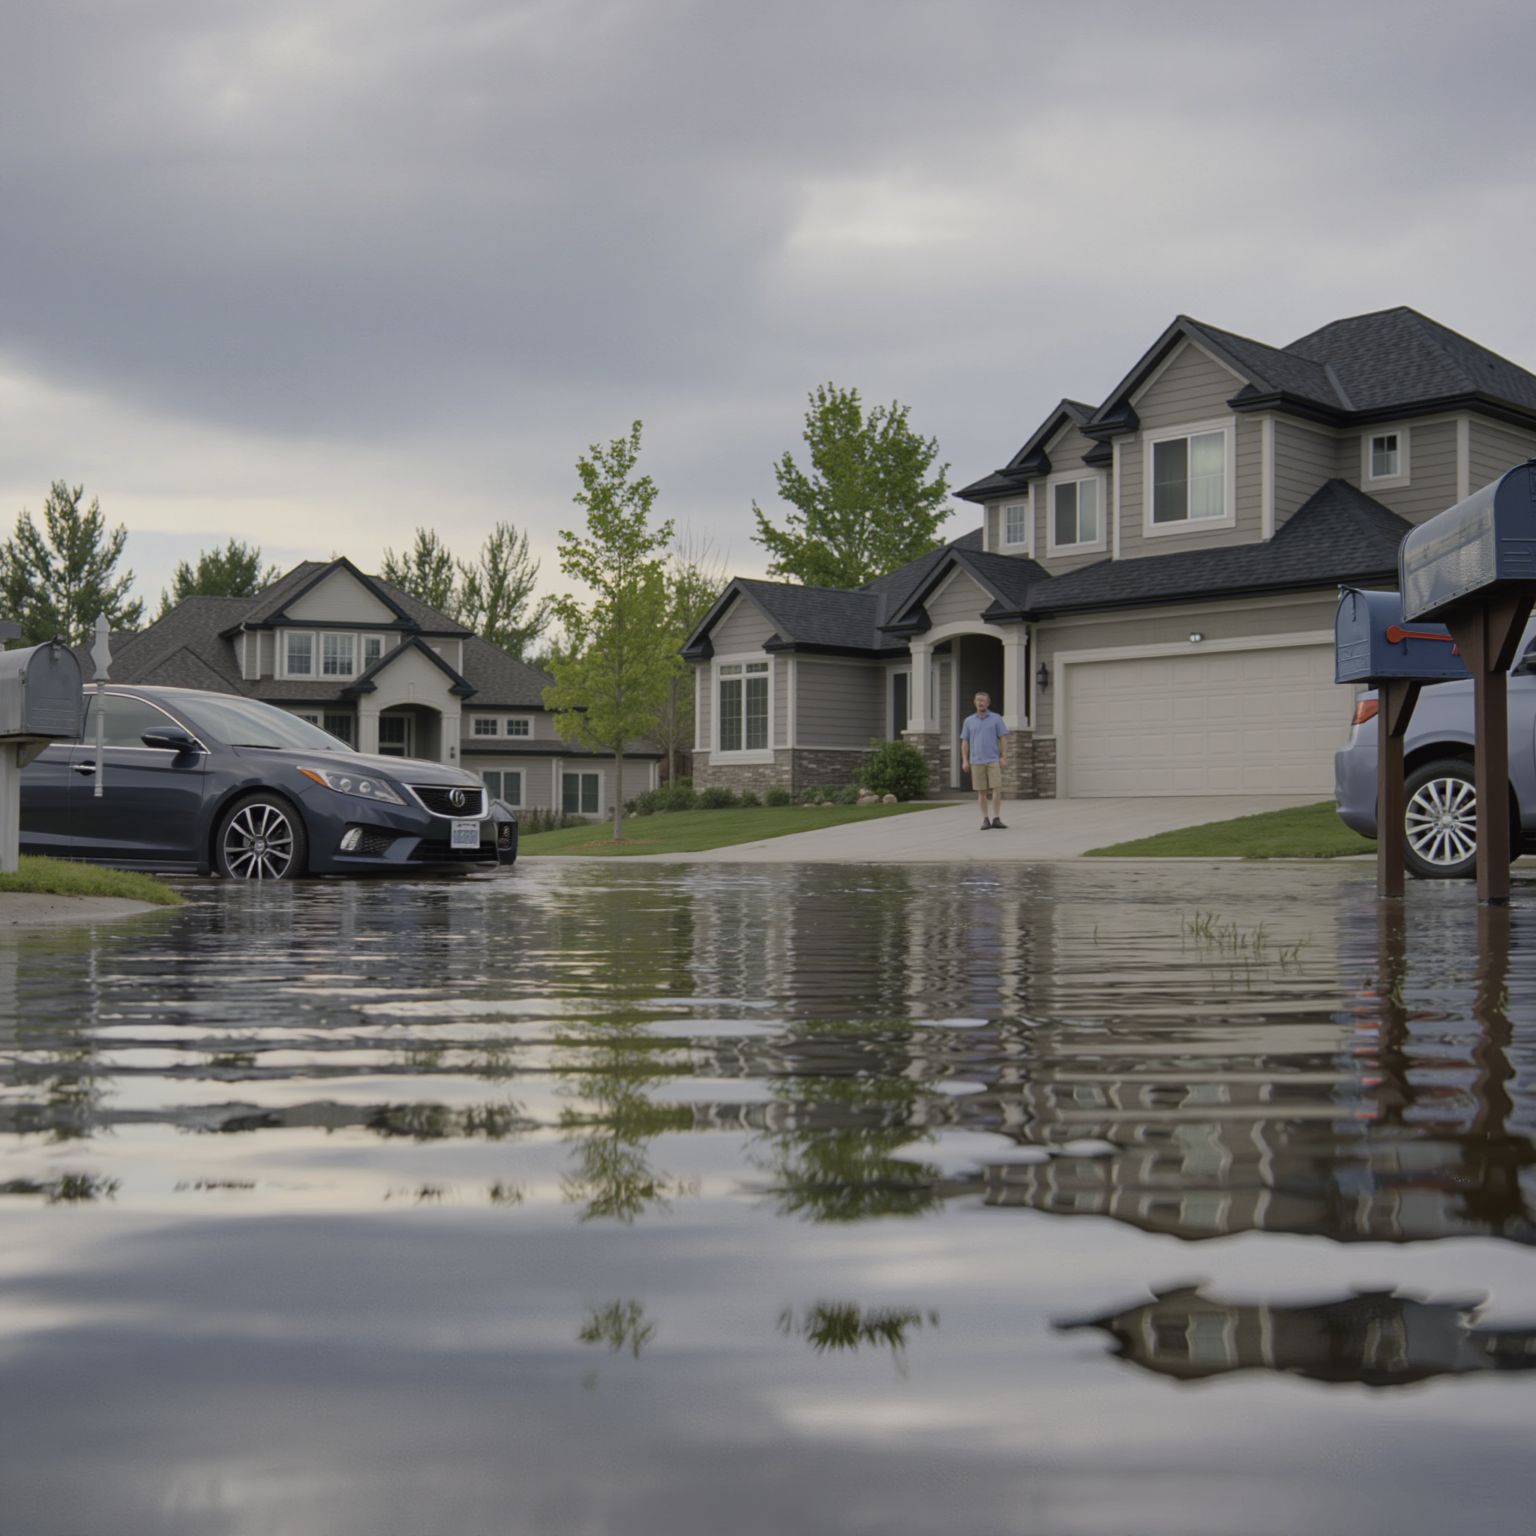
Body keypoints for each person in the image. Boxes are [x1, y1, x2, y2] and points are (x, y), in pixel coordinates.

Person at [960, 691, 1009, 830]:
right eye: (978, 700)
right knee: (981, 791)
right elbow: (965, 741)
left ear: (988, 703)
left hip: (993, 759)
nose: (980, 703)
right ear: (975, 703)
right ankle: (985, 819)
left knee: (997, 789)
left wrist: (1004, 756)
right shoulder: (969, 721)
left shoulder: (996, 718)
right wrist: (965, 760)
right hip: (976, 760)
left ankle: (996, 818)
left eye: (983, 700)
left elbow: (1003, 738)